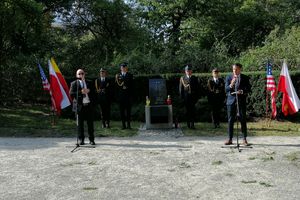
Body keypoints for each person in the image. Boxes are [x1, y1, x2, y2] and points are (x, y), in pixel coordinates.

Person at [224, 63, 251, 145]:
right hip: (231, 101)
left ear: (240, 69)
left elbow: (249, 89)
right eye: (233, 69)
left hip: (241, 101)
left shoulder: (245, 78)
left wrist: (242, 91)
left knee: (243, 119)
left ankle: (244, 139)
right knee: (230, 120)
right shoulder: (229, 77)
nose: (234, 71)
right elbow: (226, 89)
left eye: (236, 69)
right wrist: (231, 84)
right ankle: (230, 139)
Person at [70, 69, 96, 145]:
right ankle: (81, 140)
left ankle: (92, 140)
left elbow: (95, 92)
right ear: (76, 75)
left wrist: (89, 91)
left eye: (82, 73)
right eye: (79, 73)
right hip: (79, 106)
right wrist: (80, 92)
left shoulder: (90, 82)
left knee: (90, 124)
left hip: (88, 105)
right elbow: (71, 93)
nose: (81, 74)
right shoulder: (74, 83)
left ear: (84, 74)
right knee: (80, 125)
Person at [179, 65, 199, 129]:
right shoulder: (183, 78)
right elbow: (181, 89)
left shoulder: (194, 78)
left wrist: (196, 98)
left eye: (190, 70)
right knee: (187, 111)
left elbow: (197, 89)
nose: (188, 72)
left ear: (191, 71)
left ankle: (192, 124)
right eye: (187, 70)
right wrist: (182, 98)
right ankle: (188, 124)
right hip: (186, 98)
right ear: (185, 71)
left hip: (193, 98)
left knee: (193, 111)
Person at [115, 63, 133, 129]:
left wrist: (127, 87)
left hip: (128, 96)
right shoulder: (118, 76)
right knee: (122, 111)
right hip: (121, 97)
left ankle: (128, 125)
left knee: (128, 111)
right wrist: (117, 97)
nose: (123, 68)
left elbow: (132, 86)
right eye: (122, 67)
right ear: (120, 68)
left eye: (124, 67)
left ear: (126, 68)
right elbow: (116, 87)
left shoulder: (130, 75)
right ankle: (123, 125)